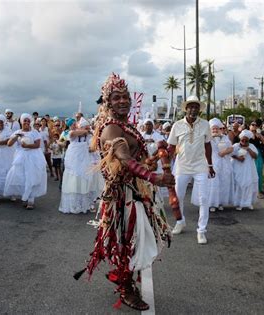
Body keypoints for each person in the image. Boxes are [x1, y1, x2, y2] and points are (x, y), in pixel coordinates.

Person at [75, 73, 173, 311]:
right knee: (126, 242)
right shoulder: (110, 129)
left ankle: (127, 283)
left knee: (137, 241)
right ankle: (126, 289)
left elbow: (136, 159)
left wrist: (151, 160)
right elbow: (126, 160)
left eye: (125, 97)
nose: (122, 101)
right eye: (116, 97)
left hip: (136, 192)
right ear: (107, 102)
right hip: (123, 197)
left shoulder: (125, 126)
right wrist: (155, 177)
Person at [167, 95, 215, 244]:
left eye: (196, 107)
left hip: (200, 165)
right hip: (182, 165)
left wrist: (210, 165)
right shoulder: (177, 125)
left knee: (204, 199)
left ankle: (201, 230)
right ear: (186, 109)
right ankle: (180, 222)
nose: (193, 109)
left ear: (199, 110)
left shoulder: (205, 124)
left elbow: (208, 145)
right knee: (178, 197)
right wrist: (167, 166)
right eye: (191, 106)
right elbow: (171, 147)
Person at [4, 113, 47, 210]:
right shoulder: (18, 132)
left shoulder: (35, 132)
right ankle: (25, 195)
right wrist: (16, 136)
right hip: (21, 157)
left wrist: (27, 146)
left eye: (28, 121)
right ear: (21, 122)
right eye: (25, 120)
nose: (27, 122)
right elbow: (9, 144)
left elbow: (37, 145)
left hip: (33, 157)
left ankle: (31, 200)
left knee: (31, 177)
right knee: (21, 177)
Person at [59, 118, 101, 214]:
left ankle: (86, 204)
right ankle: (74, 204)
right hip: (74, 160)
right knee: (74, 179)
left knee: (85, 180)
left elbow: (92, 148)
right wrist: (87, 131)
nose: (87, 128)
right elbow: (72, 135)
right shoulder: (72, 133)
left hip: (85, 160)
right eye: (85, 126)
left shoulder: (89, 135)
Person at [195, 118, 232, 212]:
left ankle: (220, 202)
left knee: (223, 183)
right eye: (213, 129)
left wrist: (226, 151)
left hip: (224, 164)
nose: (215, 130)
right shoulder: (207, 138)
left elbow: (231, 148)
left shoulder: (224, 137)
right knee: (212, 184)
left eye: (217, 128)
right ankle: (211, 203)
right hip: (212, 163)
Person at [231, 129, 258, 211]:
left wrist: (248, 149)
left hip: (249, 169)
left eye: (246, 140)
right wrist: (238, 158)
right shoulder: (235, 145)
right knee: (239, 184)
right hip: (238, 168)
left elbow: (255, 156)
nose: (244, 141)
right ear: (240, 139)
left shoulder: (252, 146)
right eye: (242, 139)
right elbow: (231, 154)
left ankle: (248, 203)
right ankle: (239, 203)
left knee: (249, 185)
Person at [249, 119, 264, 199]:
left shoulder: (259, 135)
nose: (254, 126)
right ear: (249, 126)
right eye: (252, 125)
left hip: (258, 154)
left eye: (255, 125)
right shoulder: (246, 134)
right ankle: (249, 191)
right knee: (249, 172)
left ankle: (258, 191)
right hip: (249, 154)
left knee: (258, 172)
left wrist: (260, 137)